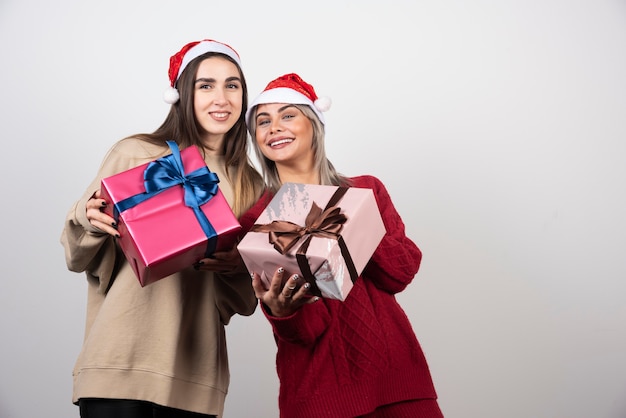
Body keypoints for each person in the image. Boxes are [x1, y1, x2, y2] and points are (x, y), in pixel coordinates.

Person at [60, 39, 264, 418]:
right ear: (182, 94)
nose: (221, 98)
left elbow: (241, 302)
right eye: (206, 85)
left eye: (232, 85)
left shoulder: (252, 184)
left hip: (194, 375)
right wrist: (86, 217)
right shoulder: (135, 152)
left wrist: (238, 266)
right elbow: (77, 257)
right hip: (117, 362)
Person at [239, 73, 444, 418]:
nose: (274, 127)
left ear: (314, 125)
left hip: (399, 383)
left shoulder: (366, 191)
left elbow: (401, 273)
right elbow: (307, 331)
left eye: (288, 115)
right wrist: (281, 310)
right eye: (263, 121)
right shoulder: (260, 218)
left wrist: (350, 218)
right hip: (320, 395)